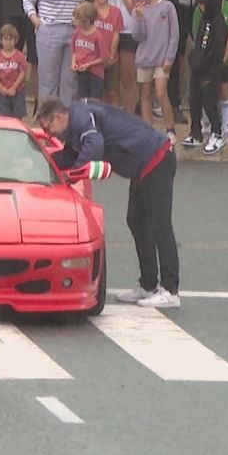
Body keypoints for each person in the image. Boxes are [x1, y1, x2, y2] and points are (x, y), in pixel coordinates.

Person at [35, 97, 181, 308]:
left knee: (160, 225)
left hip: (156, 159)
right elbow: (69, 156)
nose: (49, 135)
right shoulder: (75, 126)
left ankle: (171, 290)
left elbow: (94, 146)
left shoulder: (81, 117)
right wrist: (41, 163)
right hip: (142, 169)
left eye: (48, 128)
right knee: (136, 222)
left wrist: (73, 174)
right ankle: (148, 285)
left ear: (58, 116)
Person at [24, 0, 86, 105]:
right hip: (49, 31)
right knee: (48, 81)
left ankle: (66, 120)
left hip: (73, 32)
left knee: (70, 81)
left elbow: (81, 2)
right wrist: (36, 21)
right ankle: (48, 120)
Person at [0, 0, 47, 106]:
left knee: (35, 57)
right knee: (10, 55)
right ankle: (8, 100)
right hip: (12, 8)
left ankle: (39, 103)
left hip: (35, 9)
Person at [132, 0, 180, 139]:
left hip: (162, 59)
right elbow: (137, 36)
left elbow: (174, 35)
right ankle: (148, 131)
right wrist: (138, 18)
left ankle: (170, 129)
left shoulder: (167, 7)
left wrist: (169, 58)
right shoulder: (138, 8)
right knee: (145, 96)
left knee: (161, 93)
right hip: (144, 58)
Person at [182, 0, 228, 154]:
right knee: (194, 100)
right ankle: (196, 132)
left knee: (210, 103)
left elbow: (216, 50)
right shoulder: (203, 19)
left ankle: (217, 133)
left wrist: (203, 64)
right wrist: (194, 60)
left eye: (204, 4)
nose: (201, 7)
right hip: (198, 68)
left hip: (211, 70)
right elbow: (199, 43)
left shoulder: (219, 22)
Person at [105, 0, 147, 113]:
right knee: (110, 81)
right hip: (108, 30)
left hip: (129, 31)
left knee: (128, 78)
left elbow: (136, 9)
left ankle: (129, 116)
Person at [90, 0, 125, 106]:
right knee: (95, 92)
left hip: (111, 58)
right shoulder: (89, 10)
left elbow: (116, 34)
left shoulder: (116, 12)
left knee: (112, 91)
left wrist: (111, 54)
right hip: (92, 59)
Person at [0, 23, 29, 117]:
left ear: (15, 40)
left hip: (17, 91)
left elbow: (23, 72)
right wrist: (1, 88)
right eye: (5, 39)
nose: (8, 42)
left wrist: (14, 88)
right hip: (2, 91)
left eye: (10, 39)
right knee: (3, 117)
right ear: (0, 40)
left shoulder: (20, 56)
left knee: (17, 117)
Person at [71, 1, 106, 99]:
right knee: (81, 98)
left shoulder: (98, 36)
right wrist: (73, 63)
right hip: (81, 72)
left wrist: (89, 64)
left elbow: (104, 58)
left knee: (94, 99)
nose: (75, 21)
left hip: (95, 74)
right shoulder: (76, 33)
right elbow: (74, 51)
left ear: (85, 20)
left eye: (77, 19)